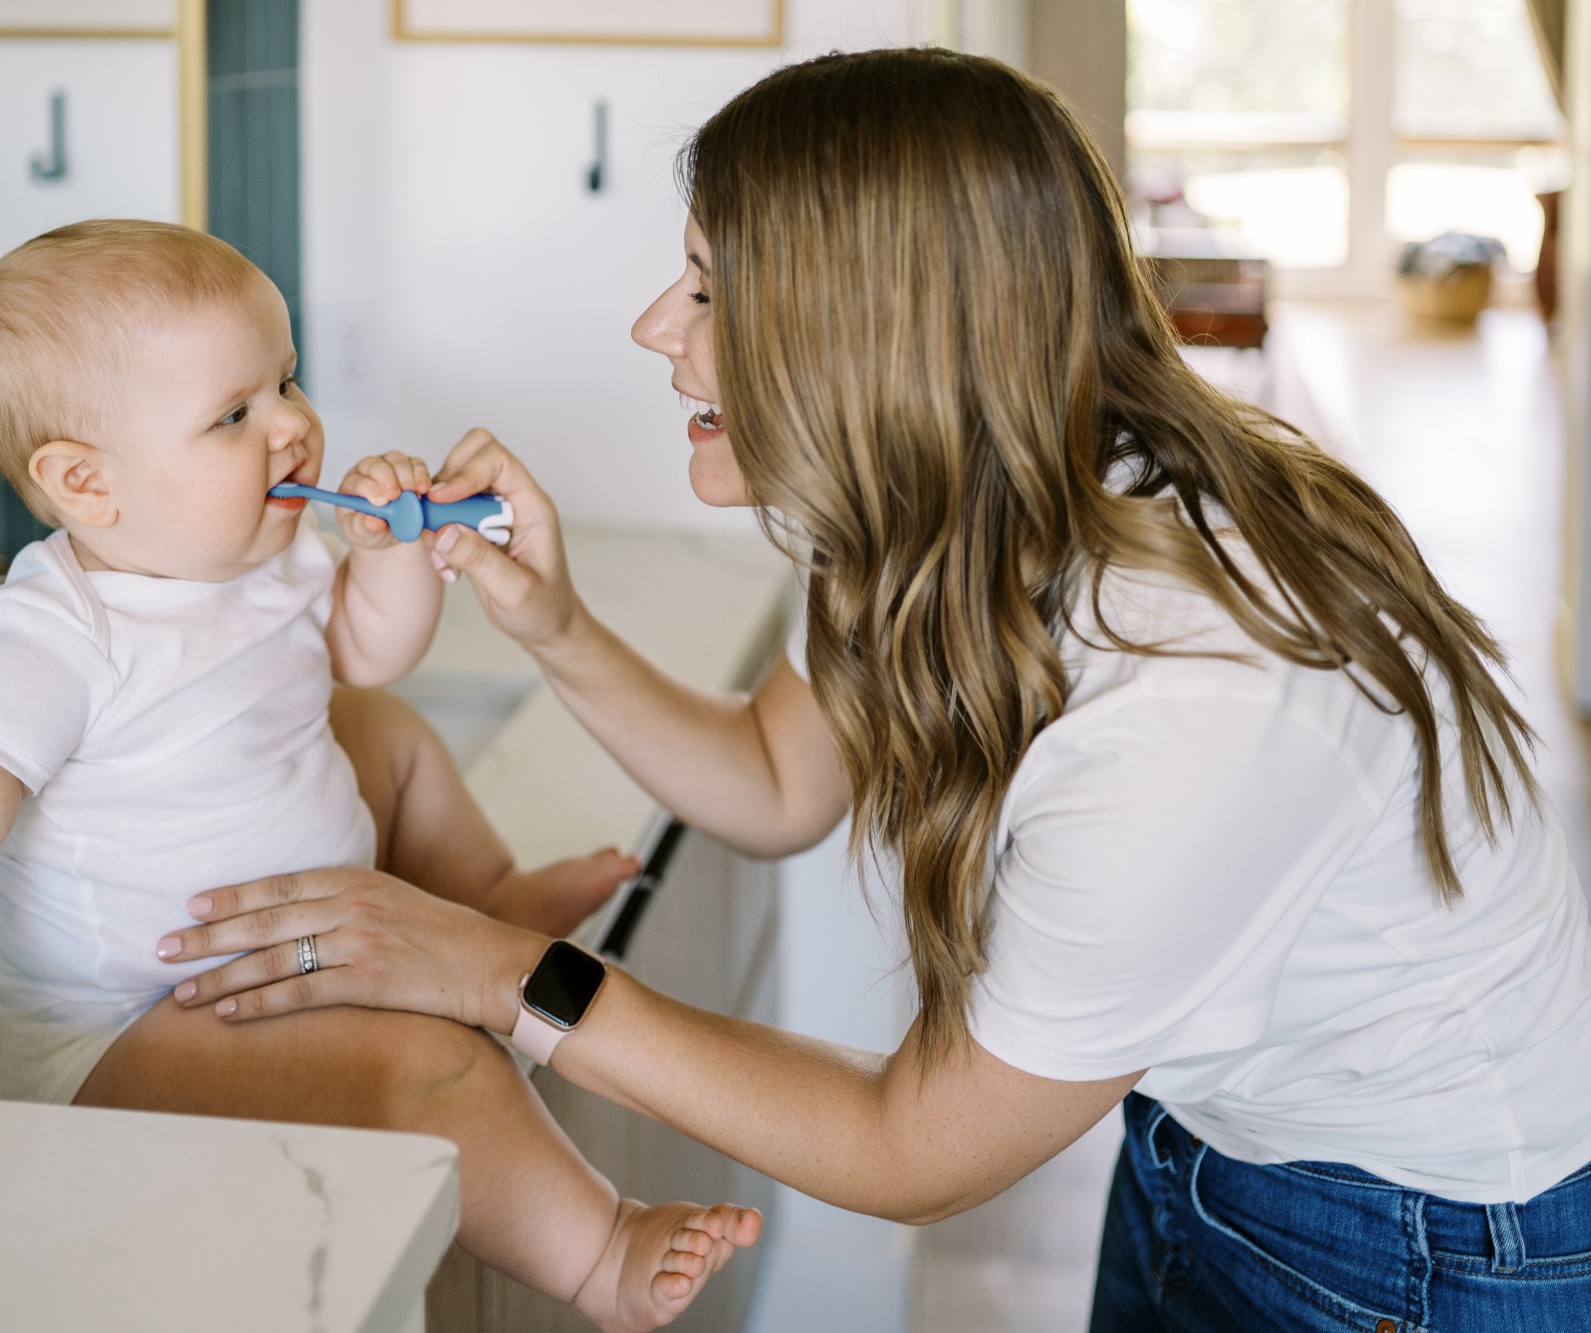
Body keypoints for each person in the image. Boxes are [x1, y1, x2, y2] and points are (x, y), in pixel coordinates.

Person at [154, 49, 1591, 1330]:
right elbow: (777, 785)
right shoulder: (954, 503)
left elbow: (918, 1148)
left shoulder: (1196, 698)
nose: (658, 326)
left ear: (868, 334)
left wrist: (488, 968)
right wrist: (555, 619)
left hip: (1430, 1243)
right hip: (1221, 1141)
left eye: (711, 288)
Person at [0, 221, 761, 1333]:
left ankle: (485, 901)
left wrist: (388, 557)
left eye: (286, 381)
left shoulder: (261, 556)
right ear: (85, 481)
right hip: (140, 1025)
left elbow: (369, 650)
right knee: (435, 1065)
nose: (291, 426)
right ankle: (598, 1250)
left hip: (297, 932)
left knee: (387, 730)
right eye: (234, 414)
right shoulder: (52, 632)